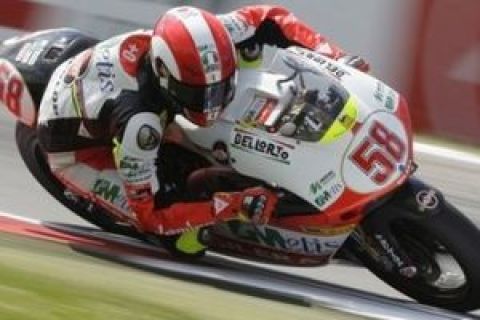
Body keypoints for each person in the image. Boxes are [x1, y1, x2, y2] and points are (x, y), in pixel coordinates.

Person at [37, 5, 369, 257]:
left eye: (219, 87)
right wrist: (233, 205)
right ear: (165, 76)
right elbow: (153, 215)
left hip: (108, 94)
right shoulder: (141, 123)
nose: (211, 105)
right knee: (185, 243)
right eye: (199, 95)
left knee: (246, 56)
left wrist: (333, 56)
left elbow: (270, 17)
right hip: (77, 151)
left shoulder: (212, 39)